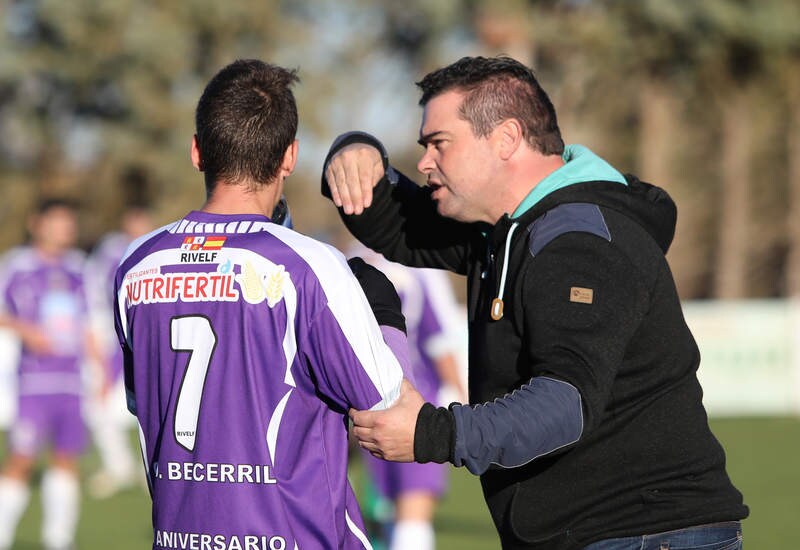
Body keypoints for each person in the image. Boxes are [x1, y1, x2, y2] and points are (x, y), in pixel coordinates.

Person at [322, 56, 748, 549]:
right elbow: (398, 225)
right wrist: (355, 151)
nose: (423, 162)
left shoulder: (578, 241)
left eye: (439, 143)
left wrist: (430, 433)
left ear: (506, 138)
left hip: (644, 534)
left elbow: (562, 405)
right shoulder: (506, 231)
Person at [114, 59, 412, 550]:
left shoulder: (136, 263)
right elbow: (388, 407)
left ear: (196, 152)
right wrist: (385, 315)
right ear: (289, 157)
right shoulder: (308, 264)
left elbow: (143, 402)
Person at [0, 199, 105, 550]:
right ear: (37, 224)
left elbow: (89, 323)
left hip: (71, 382)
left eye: (68, 222)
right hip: (33, 382)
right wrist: (25, 330)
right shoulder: (17, 265)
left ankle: (58, 539)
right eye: (57, 221)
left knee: (66, 459)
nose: (65, 229)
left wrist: (101, 369)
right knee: (21, 459)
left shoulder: (78, 268)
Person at [350, 247, 466, 550]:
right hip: (416, 400)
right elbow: (439, 339)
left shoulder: (350, 261)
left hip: (365, 403)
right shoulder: (421, 268)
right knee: (413, 509)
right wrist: (461, 398)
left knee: (383, 507)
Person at [84, 203, 154, 498]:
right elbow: (95, 290)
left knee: (153, 403)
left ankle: (146, 465)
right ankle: (120, 465)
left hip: (142, 331)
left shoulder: (154, 246)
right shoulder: (113, 249)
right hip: (111, 330)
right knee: (97, 404)